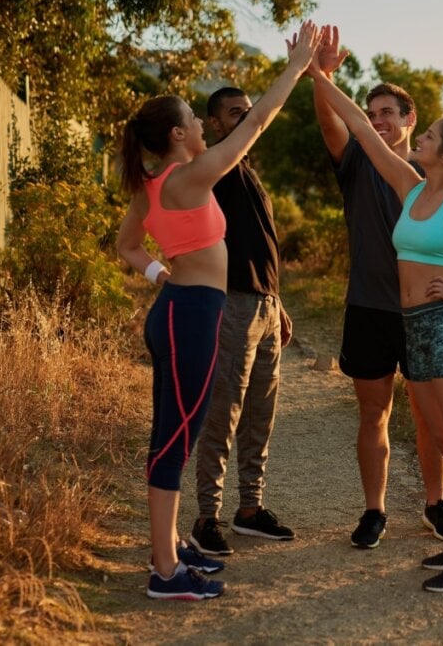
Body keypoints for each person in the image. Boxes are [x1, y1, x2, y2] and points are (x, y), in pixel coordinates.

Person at [311, 24, 443, 592]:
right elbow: (359, 126)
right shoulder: (411, 188)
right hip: (412, 327)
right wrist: (313, 71)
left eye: (428, 134)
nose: (420, 137)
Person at [116, 21, 320, 599]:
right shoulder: (189, 177)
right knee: (176, 439)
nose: (206, 128)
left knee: (169, 435)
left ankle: (171, 545)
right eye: (197, 120)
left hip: (178, 309)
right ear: (180, 134)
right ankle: (164, 572)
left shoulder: (152, 185)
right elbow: (255, 123)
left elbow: (128, 245)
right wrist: (298, 67)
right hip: (192, 314)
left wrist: (163, 274)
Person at [307, 26, 443, 550]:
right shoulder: (355, 160)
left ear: (409, 119)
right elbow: (333, 120)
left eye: (387, 113)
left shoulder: (433, 176)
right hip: (368, 309)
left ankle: (435, 505)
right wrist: (320, 75)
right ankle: (374, 511)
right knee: (374, 414)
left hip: (421, 314)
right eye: (371, 115)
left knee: (430, 419)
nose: (377, 121)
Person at [187, 86, 296, 558]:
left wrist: (277, 302)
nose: (246, 120)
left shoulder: (249, 172)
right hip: (231, 307)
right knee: (223, 414)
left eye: (248, 113)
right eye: (235, 114)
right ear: (214, 124)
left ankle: (249, 510)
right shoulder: (218, 167)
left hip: (264, 308)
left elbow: (259, 246)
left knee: (260, 416)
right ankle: (205, 518)